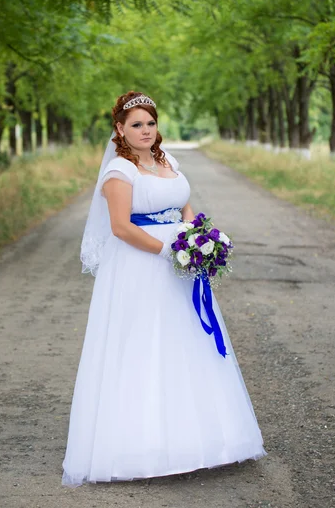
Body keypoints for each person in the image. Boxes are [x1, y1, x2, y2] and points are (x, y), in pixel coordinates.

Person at [61, 91, 266, 487]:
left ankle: (201, 441)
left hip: (180, 264)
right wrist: (169, 253)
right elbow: (122, 228)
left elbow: (185, 206)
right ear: (120, 129)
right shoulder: (119, 172)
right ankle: (141, 447)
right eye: (136, 125)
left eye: (150, 124)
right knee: (143, 346)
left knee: (186, 343)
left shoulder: (168, 161)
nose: (145, 131)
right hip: (142, 266)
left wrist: (197, 239)